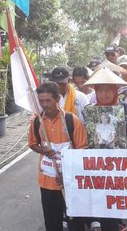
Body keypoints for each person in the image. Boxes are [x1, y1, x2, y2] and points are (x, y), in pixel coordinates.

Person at [81, 68, 127, 231]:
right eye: (100, 90)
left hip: (126, 167)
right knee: (106, 207)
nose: (104, 94)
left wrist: (123, 155)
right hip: (100, 169)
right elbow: (82, 137)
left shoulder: (126, 110)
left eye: (108, 89)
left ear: (115, 90)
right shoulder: (88, 112)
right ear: (95, 91)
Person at [28, 82, 88, 231]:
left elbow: (82, 150)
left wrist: (69, 176)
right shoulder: (37, 121)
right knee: (52, 223)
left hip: (70, 183)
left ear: (57, 99)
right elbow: (32, 143)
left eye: (48, 100)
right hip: (46, 182)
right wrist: (44, 151)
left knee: (75, 223)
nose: (45, 105)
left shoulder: (71, 121)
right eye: (41, 101)